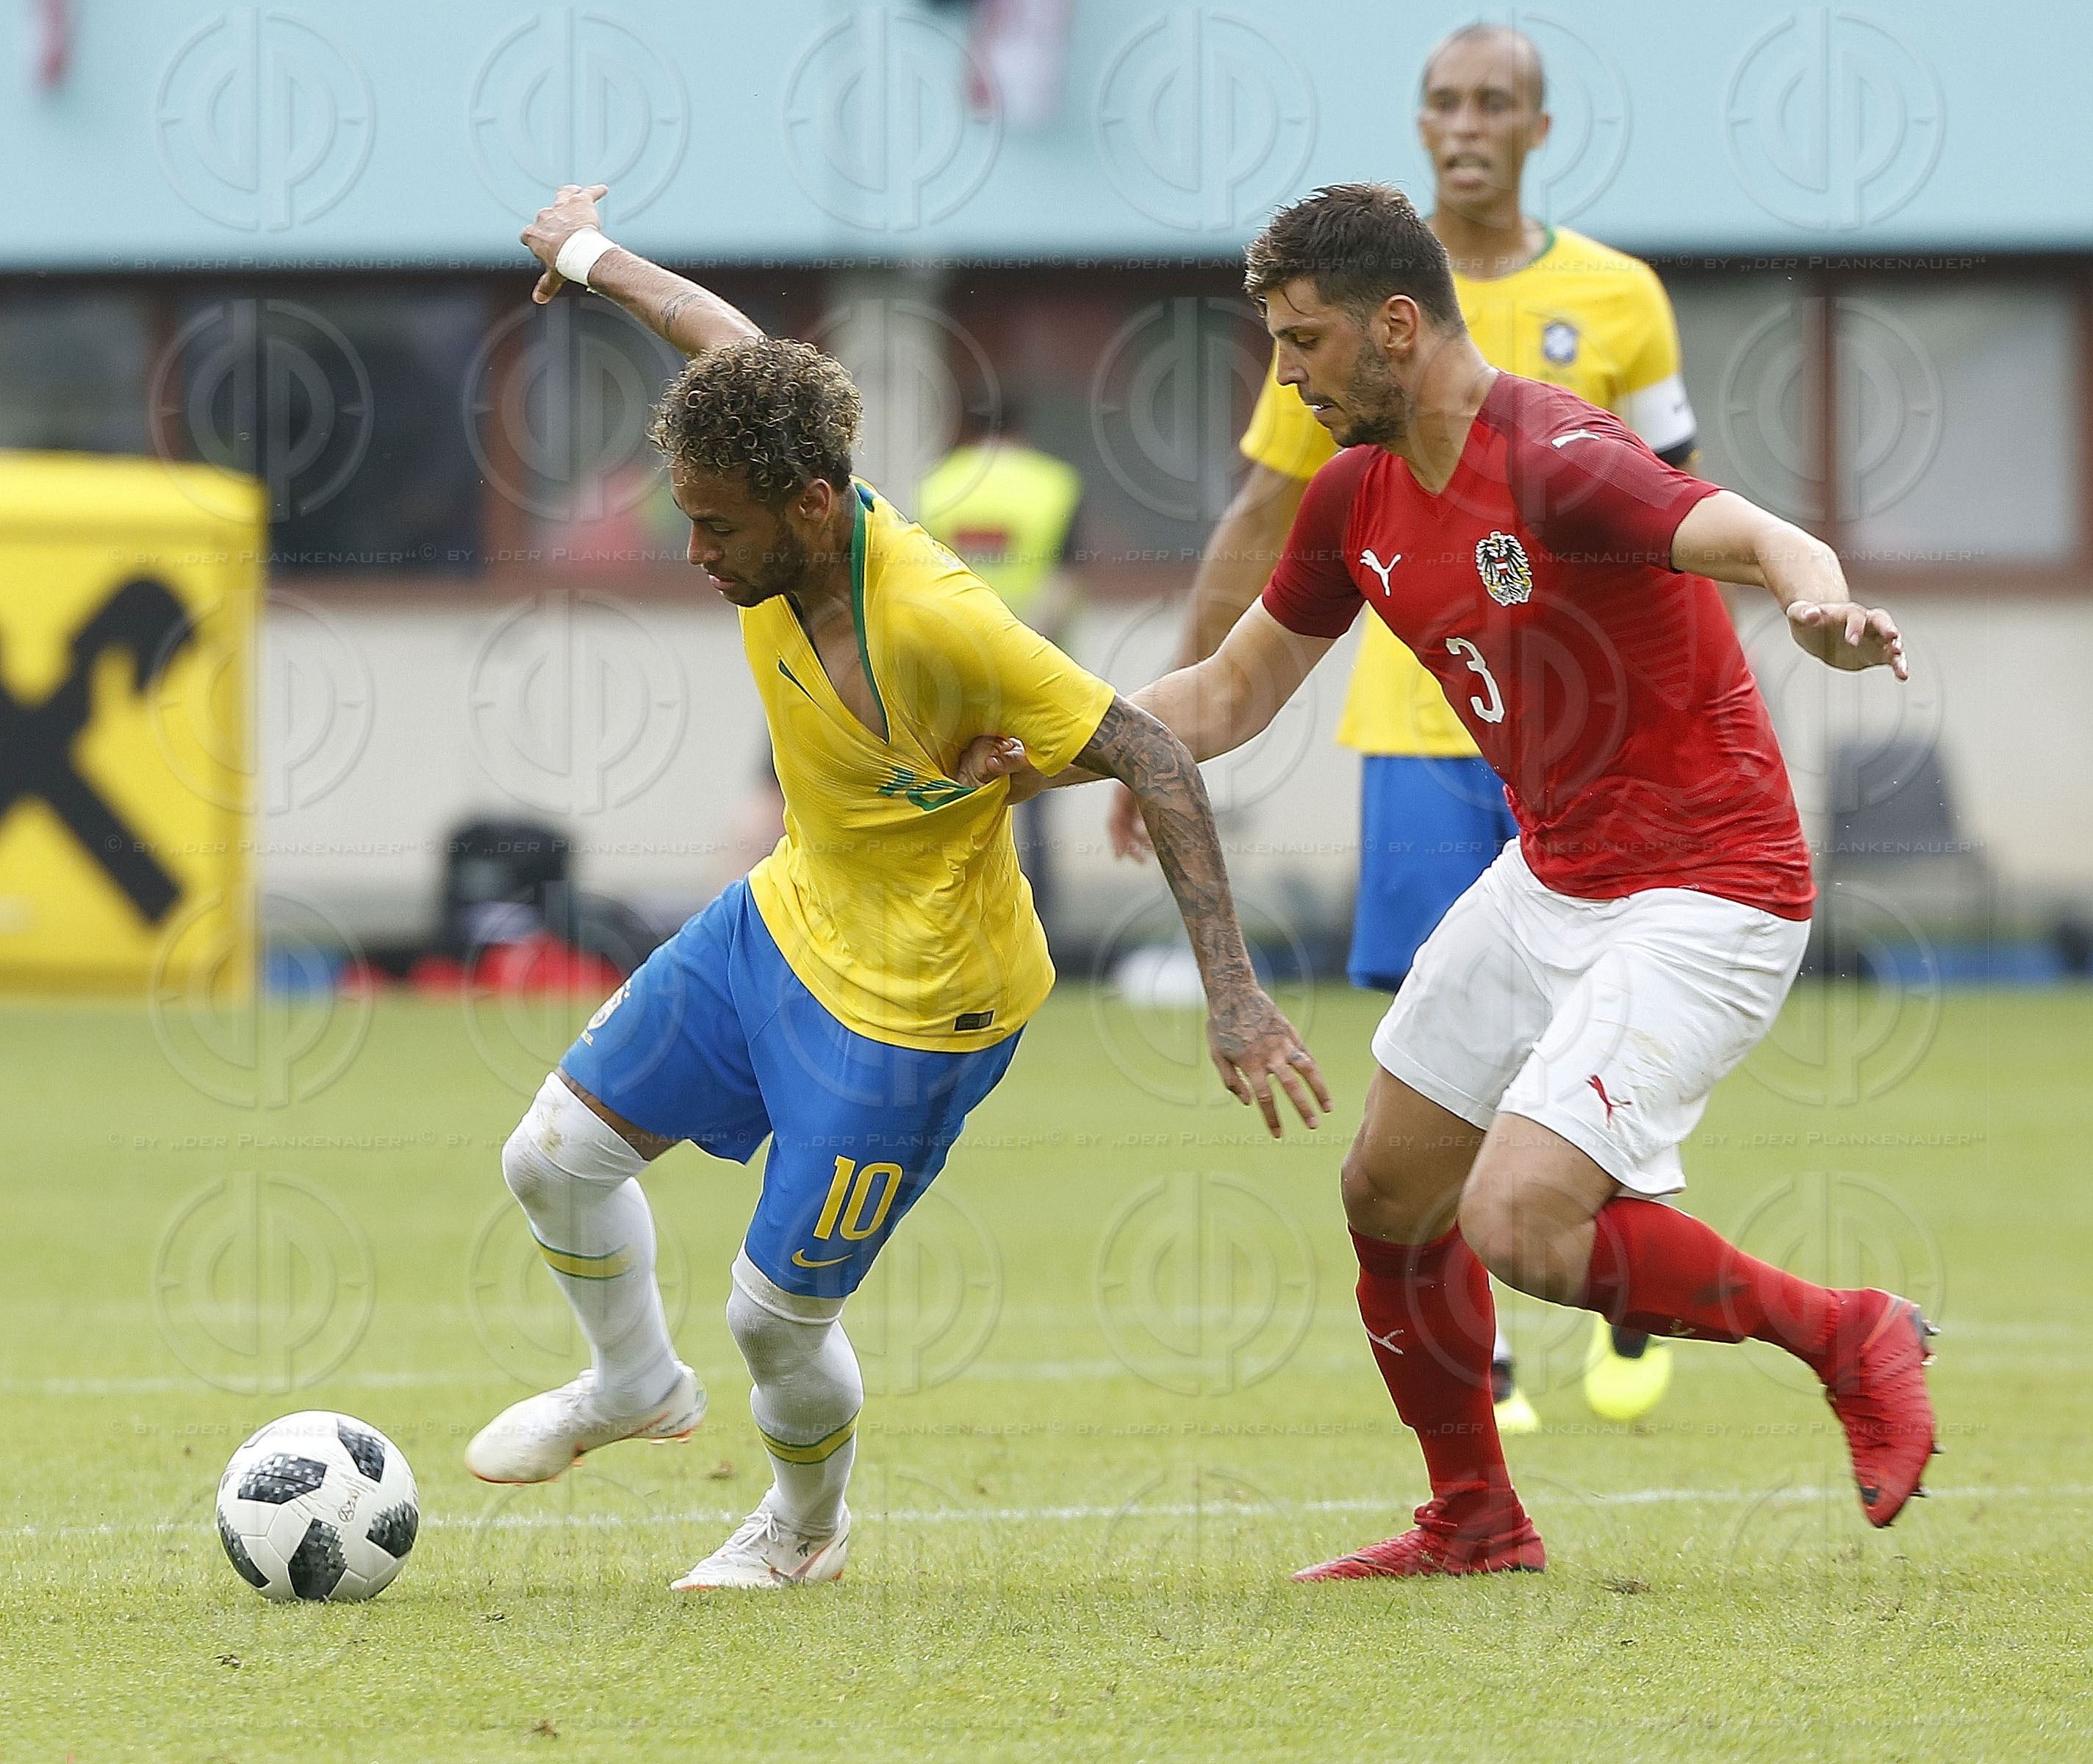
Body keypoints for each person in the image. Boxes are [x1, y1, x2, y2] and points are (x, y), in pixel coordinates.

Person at [963, 182, 1935, 1577]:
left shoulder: (1552, 455)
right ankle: (1475, 1518)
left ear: (1397, 327)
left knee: (1519, 1220)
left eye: (1302, 344)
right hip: (1550, 880)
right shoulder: (1353, 493)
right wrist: (1043, 753)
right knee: (1386, 1196)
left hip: (1704, 894)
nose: (1283, 376)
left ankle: (1846, 1332)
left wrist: (1818, 601)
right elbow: (1233, 690)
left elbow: (1747, 532)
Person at [464, 184, 1330, 1591]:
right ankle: (632, 1386)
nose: (697, 554)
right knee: (550, 1158)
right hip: (787, 920)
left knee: (772, 1323)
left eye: (718, 528)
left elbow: (1155, 756)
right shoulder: (780, 476)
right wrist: (583, 252)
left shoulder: (936, 618)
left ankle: (803, 1533)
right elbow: (721, 333)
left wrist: (1233, 999)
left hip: (919, 1006)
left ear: (810, 506)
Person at [1107, 23, 1702, 1430]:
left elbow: (1679, 511)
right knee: (1436, 1040)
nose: (1466, 124)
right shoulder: (1333, 308)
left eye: (1495, 102)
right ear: (1420, 122)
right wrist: (1155, 729)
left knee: (1610, 1014)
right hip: (1423, 721)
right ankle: (1482, 1352)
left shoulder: (1617, 297)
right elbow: (1260, 513)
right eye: (1442, 101)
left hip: (1597, 730)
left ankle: (1614, 1267)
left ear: (1538, 129)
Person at [918, 411, 1085, 928]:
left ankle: (948, 910)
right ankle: (1035, 919)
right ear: (1022, 432)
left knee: (951, 784)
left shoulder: (937, 484)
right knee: (1032, 783)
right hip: (1030, 660)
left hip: (953, 665)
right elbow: (1066, 580)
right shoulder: (1055, 484)